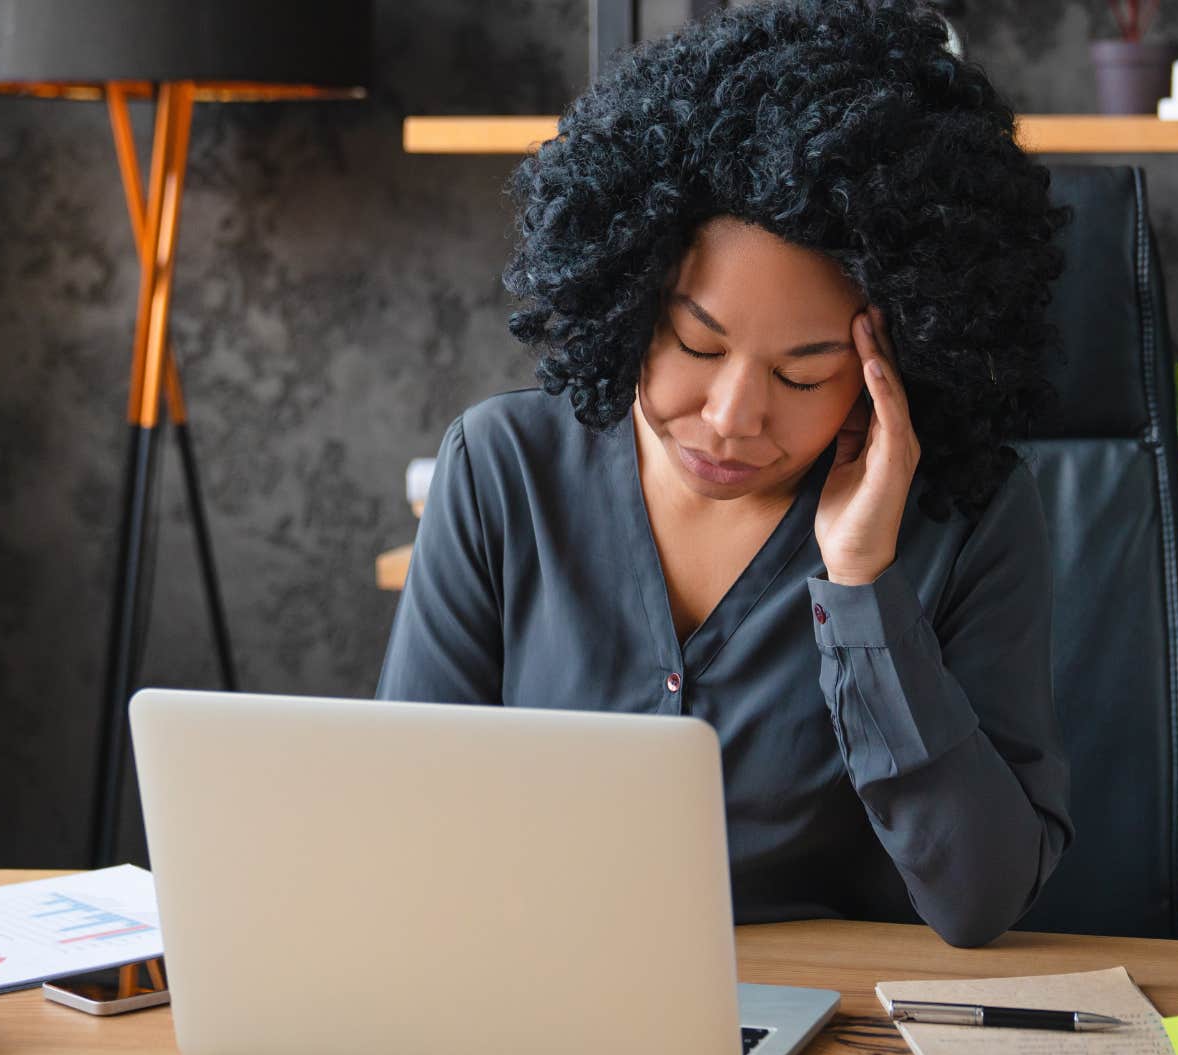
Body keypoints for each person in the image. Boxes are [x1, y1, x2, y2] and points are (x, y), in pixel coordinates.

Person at [377, 0, 1072, 947]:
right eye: (695, 343)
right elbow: (406, 823)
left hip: (829, 1025)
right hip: (530, 992)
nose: (732, 417)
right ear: (629, 296)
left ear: (894, 371)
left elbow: (982, 899)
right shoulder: (504, 471)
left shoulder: (967, 517)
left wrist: (864, 591)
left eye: (803, 374)